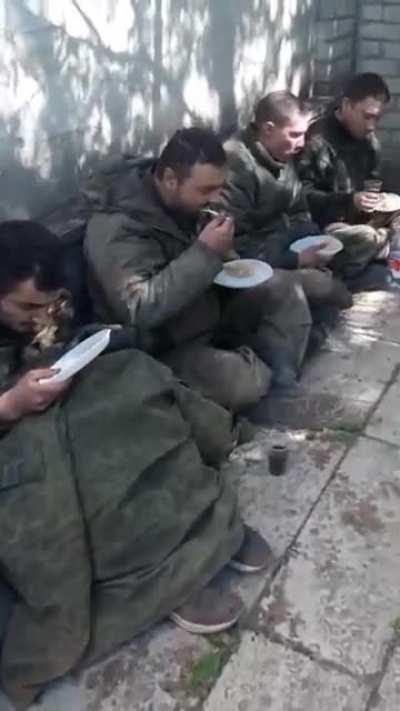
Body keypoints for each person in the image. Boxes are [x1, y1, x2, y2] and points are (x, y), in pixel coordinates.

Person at [0, 220, 271, 709]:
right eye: (26, 307)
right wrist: (10, 404)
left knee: (137, 386)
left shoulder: (46, 307)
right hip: (16, 431)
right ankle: (163, 571)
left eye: (49, 304)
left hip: (55, 393)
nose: (39, 315)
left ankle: (197, 520)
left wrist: (68, 349)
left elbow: (58, 336)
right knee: (87, 464)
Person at [84, 127, 313, 404]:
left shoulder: (185, 204)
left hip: (205, 311)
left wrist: (225, 255)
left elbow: (212, 264)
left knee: (285, 288)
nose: (215, 199)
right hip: (164, 344)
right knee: (242, 381)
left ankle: (281, 380)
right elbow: (138, 308)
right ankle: (260, 372)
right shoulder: (118, 225)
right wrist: (205, 252)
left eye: (219, 188)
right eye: (206, 190)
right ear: (170, 179)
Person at [219, 90, 353, 313]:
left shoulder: (280, 152)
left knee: (338, 247)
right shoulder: (236, 165)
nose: (301, 143)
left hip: (282, 244)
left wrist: (311, 242)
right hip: (253, 266)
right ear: (268, 129)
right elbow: (234, 246)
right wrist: (295, 259)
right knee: (328, 292)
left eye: (304, 134)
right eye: (295, 134)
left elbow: (299, 208)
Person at [297, 73, 394, 288]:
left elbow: (373, 182)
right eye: (367, 116)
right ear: (347, 105)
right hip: (325, 227)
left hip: (360, 219)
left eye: (377, 119)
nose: (371, 126)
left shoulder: (369, 142)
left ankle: (379, 254)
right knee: (367, 238)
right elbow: (301, 196)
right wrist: (349, 200)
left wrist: (377, 201)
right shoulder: (318, 140)